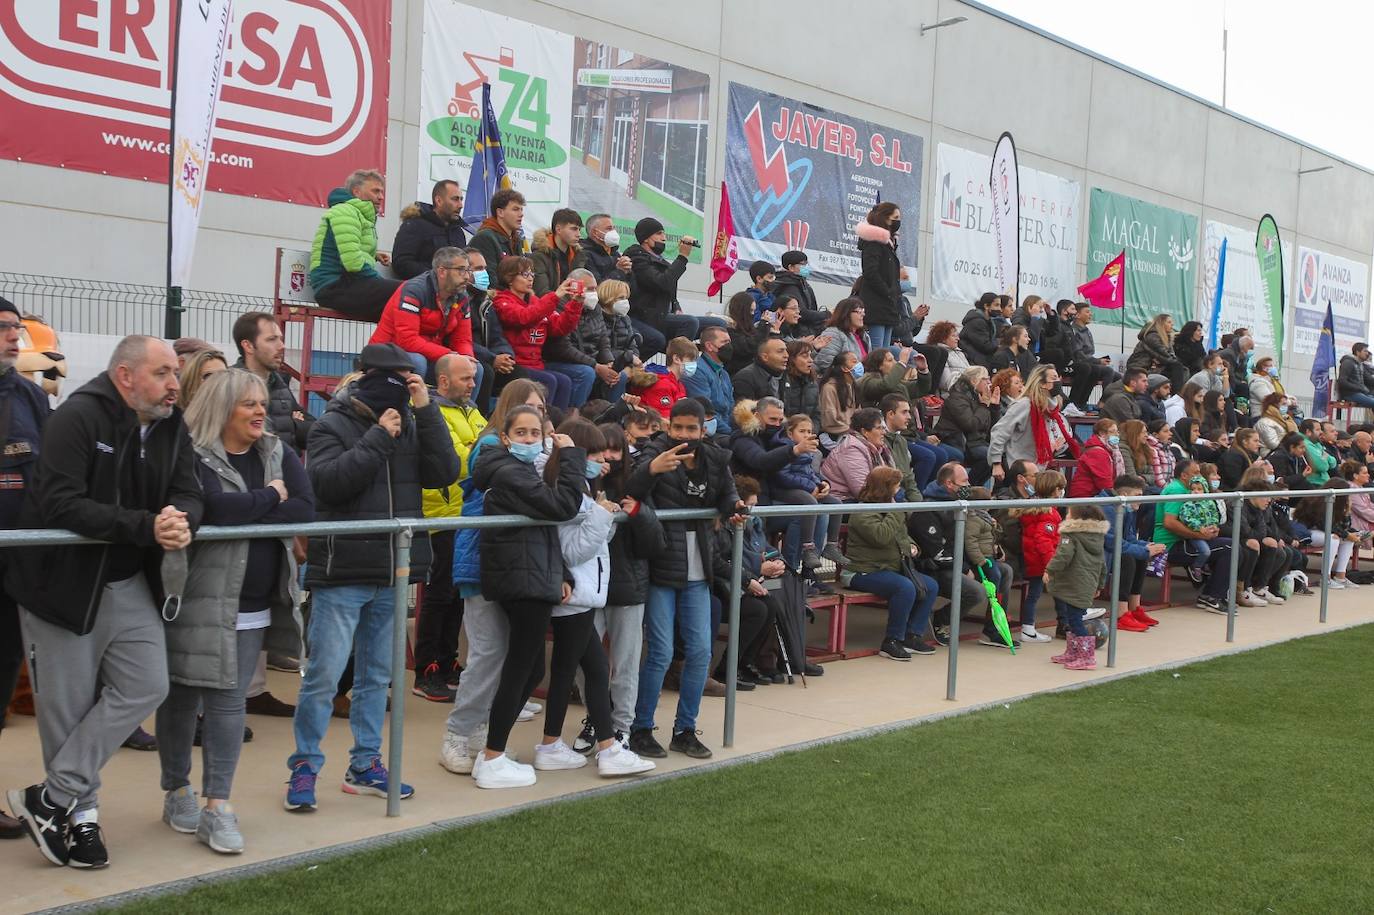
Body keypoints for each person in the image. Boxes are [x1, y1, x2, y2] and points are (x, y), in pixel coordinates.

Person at [6, 336, 201, 869]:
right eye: (162, 373)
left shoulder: (171, 424)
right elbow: (60, 502)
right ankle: (81, 817)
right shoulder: (78, 418)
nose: (172, 385)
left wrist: (180, 519)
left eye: (175, 374)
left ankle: (49, 797)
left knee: (148, 683)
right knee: (65, 714)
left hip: (126, 580)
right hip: (60, 587)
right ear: (125, 376)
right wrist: (146, 526)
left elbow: (190, 490)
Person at [285, 343, 459, 810]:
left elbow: (445, 472)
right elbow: (329, 484)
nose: (404, 390)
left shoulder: (412, 421)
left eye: (411, 382)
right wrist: (378, 437)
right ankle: (304, 767)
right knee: (323, 676)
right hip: (342, 573)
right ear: (369, 378)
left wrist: (428, 413)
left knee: (377, 677)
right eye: (399, 381)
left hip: (392, 573)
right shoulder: (331, 425)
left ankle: (364, 764)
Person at [159, 370, 314, 854]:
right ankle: (177, 788)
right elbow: (210, 510)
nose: (260, 411)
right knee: (182, 697)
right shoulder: (194, 453)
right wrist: (270, 497)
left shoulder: (277, 451)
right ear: (223, 408)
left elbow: (305, 508)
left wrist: (249, 506)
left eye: (262, 402)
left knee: (229, 701)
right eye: (249, 404)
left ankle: (217, 806)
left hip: (253, 605)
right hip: (197, 598)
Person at [465, 408, 587, 789]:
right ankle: (492, 756)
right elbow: (564, 507)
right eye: (521, 432)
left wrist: (561, 574)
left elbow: (543, 528)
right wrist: (571, 458)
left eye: (536, 433)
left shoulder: (520, 470)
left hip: (533, 574)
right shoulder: (508, 471)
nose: (530, 439)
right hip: (522, 580)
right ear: (504, 437)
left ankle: (492, 750)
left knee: (532, 669)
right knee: (520, 668)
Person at [530, 418, 657, 778]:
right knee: (589, 671)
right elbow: (573, 551)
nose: (604, 460)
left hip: (583, 596)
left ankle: (562, 744)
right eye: (596, 453)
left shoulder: (579, 488)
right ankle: (602, 747)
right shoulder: (564, 489)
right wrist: (602, 516)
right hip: (574, 598)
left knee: (583, 671)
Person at [439, 380, 548, 776]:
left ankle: (483, 736)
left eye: (541, 413)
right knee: (487, 654)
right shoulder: (491, 448)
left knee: (512, 658)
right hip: (482, 561)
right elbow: (549, 500)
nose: (537, 421)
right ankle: (457, 733)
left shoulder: (538, 454)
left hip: (517, 566)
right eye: (528, 413)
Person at [626, 398, 743, 761]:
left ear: (703, 429)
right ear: (668, 426)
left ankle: (685, 729)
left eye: (692, 429)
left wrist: (735, 510)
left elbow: (728, 495)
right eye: (678, 428)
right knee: (659, 652)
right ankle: (640, 728)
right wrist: (652, 470)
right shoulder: (653, 452)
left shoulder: (715, 456)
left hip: (700, 569)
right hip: (663, 567)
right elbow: (629, 491)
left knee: (700, 652)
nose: (685, 435)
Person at [0, 299, 48, 840]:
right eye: (5, 329)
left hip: (13, 572)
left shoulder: (31, 398)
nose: (15, 337)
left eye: (17, 329)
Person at [413, 354, 484, 702]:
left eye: (473, 378)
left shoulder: (471, 410)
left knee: (456, 595)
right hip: (441, 514)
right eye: (466, 378)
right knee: (439, 595)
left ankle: (447, 662)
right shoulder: (433, 412)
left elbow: (489, 450)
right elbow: (459, 463)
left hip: (465, 513)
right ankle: (425, 670)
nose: (473, 384)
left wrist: (477, 450)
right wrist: (477, 450)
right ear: (443, 381)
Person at [842, 467, 939, 660]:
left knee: (931, 586)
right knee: (905, 587)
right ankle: (892, 641)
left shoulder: (891, 509)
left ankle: (912, 635)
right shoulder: (863, 512)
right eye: (896, 486)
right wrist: (897, 510)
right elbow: (882, 537)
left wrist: (913, 546)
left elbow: (903, 536)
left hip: (891, 567)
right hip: (862, 571)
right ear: (885, 488)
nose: (899, 489)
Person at [917, 463, 1007, 646]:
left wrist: (991, 552)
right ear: (949, 484)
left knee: (1004, 571)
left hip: (963, 559)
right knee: (976, 591)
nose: (968, 486)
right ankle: (942, 619)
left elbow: (974, 537)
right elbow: (936, 553)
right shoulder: (928, 509)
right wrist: (964, 568)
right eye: (964, 481)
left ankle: (992, 630)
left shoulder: (963, 503)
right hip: (937, 568)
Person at [708, 476, 786, 683]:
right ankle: (727, 668)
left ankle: (744, 662)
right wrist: (753, 574)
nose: (753, 510)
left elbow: (764, 548)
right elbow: (729, 560)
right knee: (757, 610)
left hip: (742, 581)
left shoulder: (753, 523)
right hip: (722, 587)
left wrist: (778, 560)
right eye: (750, 505)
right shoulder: (725, 525)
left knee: (770, 605)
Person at [491, 255, 588, 408]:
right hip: (515, 365)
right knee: (549, 381)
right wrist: (555, 296)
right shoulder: (502, 301)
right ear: (509, 278)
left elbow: (559, 327)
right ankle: (540, 423)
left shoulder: (536, 301)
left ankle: (556, 423)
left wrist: (576, 304)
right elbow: (523, 317)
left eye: (532, 274)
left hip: (536, 364)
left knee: (565, 381)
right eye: (525, 275)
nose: (530, 279)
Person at [369, 247, 475, 383]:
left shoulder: (462, 297)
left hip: (427, 353)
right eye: (461, 270)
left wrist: (466, 359)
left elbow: (462, 340)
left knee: (474, 369)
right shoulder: (414, 291)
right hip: (387, 352)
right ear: (442, 271)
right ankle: (412, 404)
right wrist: (450, 354)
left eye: (468, 270)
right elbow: (407, 340)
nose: (467, 276)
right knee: (417, 362)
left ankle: (463, 405)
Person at [309, 169, 399, 321]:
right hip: (333, 287)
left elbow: (346, 247)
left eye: (382, 192)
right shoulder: (344, 211)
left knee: (402, 307)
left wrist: (374, 255)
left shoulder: (356, 213)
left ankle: (385, 344)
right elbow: (352, 263)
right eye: (376, 191)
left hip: (345, 284)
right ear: (356, 192)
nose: (381, 197)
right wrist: (378, 281)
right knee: (409, 293)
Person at [1154, 459, 1233, 613]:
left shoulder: (1190, 490)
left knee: (1231, 545)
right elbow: (1169, 522)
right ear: (1184, 476)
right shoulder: (1176, 490)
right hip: (1171, 545)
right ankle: (1212, 597)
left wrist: (1212, 529)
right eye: (1196, 472)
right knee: (1228, 547)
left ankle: (1212, 594)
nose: (1200, 475)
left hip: (1189, 539)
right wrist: (1200, 535)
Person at [231, 312, 313, 454]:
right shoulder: (230, 385)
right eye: (271, 339)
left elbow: (313, 431)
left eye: (280, 339)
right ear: (248, 346)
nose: (281, 346)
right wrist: (289, 424)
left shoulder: (279, 384)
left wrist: (293, 425)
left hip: (284, 473)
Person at [1045, 504, 1110, 671]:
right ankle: (1073, 652)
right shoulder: (1096, 538)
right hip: (1086, 584)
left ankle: (1087, 657)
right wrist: (1100, 584)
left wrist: (1050, 570)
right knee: (1072, 618)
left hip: (1073, 584)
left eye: (1068, 514)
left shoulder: (1071, 535)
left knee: (1075, 620)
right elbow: (1103, 565)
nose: (1066, 516)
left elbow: (1063, 555)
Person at [625, 217, 699, 358]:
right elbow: (663, 282)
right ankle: (675, 366)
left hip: (665, 315)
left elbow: (670, 291)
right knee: (690, 322)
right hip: (646, 316)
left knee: (716, 324)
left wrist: (676, 307)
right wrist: (682, 256)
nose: (664, 238)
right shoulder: (637, 258)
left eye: (664, 233)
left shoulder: (661, 261)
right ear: (646, 238)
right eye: (659, 233)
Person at [1100, 475, 1166, 632]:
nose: (1141, 500)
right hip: (1100, 552)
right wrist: (1143, 550)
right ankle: (1120, 614)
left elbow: (1128, 537)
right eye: (1138, 495)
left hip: (1112, 548)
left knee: (1141, 555)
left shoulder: (1126, 506)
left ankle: (1134, 608)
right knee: (1128, 557)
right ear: (1124, 494)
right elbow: (1111, 542)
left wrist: (1147, 546)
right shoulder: (1106, 507)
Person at [988, 363, 1081, 475]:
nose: (1059, 381)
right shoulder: (1024, 405)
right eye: (1054, 378)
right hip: (1017, 469)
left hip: (1037, 468)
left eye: (1058, 377)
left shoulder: (1051, 411)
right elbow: (1000, 432)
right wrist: (996, 463)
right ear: (1042, 384)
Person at [1012, 469, 1067, 644]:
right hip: (1040, 562)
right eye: (1060, 489)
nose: (1062, 492)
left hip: (1036, 560)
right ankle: (1028, 629)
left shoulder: (1039, 508)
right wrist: (1051, 566)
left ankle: (1064, 621)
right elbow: (1043, 541)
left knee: (1039, 593)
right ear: (1054, 490)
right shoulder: (1047, 512)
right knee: (1035, 594)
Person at [934, 366, 1000, 484]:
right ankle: (970, 487)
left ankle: (979, 489)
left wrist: (994, 406)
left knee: (999, 455)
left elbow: (991, 427)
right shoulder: (957, 398)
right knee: (989, 457)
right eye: (986, 379)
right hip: (959, 441)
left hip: (976, 441)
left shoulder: (978, 397)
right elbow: (970, 425)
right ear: (974, 381)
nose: (989, 383)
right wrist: (984, 406)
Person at [1293, 478, 1363, 589]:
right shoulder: (1316, 501)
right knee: (1334, 539)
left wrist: (1347, 512)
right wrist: (1346, 534)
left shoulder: (1339, 504)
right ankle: (1326, 578)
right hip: (1307, 532)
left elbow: (1344, 528)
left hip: (1325, 532)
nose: (1348, 496)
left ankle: (1340, 576)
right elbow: (1324, 524)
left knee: (1348, 539)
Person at [392, 179, 468, 279]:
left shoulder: (458, 232)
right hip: (421, 290)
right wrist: (437, 276)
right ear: (439, 201)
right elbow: (401, 263)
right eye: (455, 199)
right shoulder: (415, 225)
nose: (460, 205)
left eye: (461, 199)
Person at [855, 201, 905, 349]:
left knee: (884, 352)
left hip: (888, 306)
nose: (898, 221)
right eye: (895, 217)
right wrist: (888, 291)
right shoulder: (874, 242)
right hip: (877, 304)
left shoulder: (889, 245)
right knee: (877, 352)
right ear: (885, 218)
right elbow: (870, 272)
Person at [628, 336, 696, 419]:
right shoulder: (662, 384)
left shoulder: (679, 384)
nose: (694, 365)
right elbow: (663, 419)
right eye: (691, 360)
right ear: (676, 359)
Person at [683, 325, 734, 432]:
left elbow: (731, 408)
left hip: (726, 428)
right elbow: (705, 412)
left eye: (729, 342)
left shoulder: (724, 373)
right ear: (709, 346)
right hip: (711, 431)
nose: (729, 346)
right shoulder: (697, 371)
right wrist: (731, 433)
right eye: (725, 342)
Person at [1063, 303, 1113, 413]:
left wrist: (1097, 360)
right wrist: (1097, 361)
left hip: (1088, 362)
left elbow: (1089, 353)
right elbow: (1078, 354)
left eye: (1090, 312)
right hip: (1077, 363)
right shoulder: (1074, 330)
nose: (1091, 314)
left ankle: (1109, 405)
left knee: (1118, 377)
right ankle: (1093, 404)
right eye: (1087, 312)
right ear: (1078, 315)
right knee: (1102, 370)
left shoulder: (1086, 330)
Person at [531, 209, 587, 296]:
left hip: (573, 302)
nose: (578, 234)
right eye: (574, 229)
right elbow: (542, 293)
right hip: (550, 304)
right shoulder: (538, 257)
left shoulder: (579, 255)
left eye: (579, 229)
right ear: (558, 229)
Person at [468, 188, 527, 268]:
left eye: (521, 210)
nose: (521, 214)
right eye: (515, 209)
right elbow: (490, 277)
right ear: (500, 212)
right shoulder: (485, 238)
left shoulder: (516, 239)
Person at [1126, 314, 1186, 391]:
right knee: (1177, 366)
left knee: (1183, 368)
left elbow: (1171, 356)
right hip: (1141, 368)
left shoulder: (1167, 337)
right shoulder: (1152, 336)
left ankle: (1173, 394)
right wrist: (1163, 361)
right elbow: (1166, 355)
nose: (1172, 324)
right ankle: (1176, 395)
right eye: (1169, 322)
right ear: (1161, 323)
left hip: (1155, 367)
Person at [813, 298, 871, 376]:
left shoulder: (864, 336)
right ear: (846, 313)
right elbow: (825, 364)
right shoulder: (833, 333)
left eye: (863, 311)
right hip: (840, 382)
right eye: (858, 311)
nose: (863, 314)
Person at [1068, 419, 1125, 498]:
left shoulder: (1109, 450)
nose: (1117, 435)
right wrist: (1117, 496)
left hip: (1094, 495)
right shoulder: (1098, 452)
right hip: (1085, 497)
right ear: (1102, 433)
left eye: (1117, 432)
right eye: (1112, 432)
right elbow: (1104, 482)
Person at [772, 250, 828, 330]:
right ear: (791, 267)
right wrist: (826, 314)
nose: (806, 267)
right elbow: (801, 313)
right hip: (793, 331)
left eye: (807, 264)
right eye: (803, 264)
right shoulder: (789, 285)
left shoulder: (800, 282)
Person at [818, 352, 861, 442]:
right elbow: (830, 420)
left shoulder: (852, 385)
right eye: (854, 362)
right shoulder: (829, 388)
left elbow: (858, 412)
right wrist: (851, 431)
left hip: (851, 433)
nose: (858, 365)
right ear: (844, 368)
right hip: (834, 436)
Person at [733, 335, 788, 402]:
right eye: (780, 351)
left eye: (786, 350)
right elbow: (744, 410)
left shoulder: (782, 375)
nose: (786, 355)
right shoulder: (745, 378)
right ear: (765, 357)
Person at [927, 321, 971, 398]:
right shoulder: (940, 354)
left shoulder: (960, 353)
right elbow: (945, 382)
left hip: (966, 394)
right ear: (943, 338)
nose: (958, 338)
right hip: (951, 397)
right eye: (954, 336)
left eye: (957, 335)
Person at [959, 292, 1000, 370]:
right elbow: (986, 346)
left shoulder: (988, 321)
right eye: (996, 305)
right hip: (973, 360)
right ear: (986, 306)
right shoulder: (977, 322)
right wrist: (999, 342)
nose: (999, 309)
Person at [1298, 418, 1338, 486]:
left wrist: (1323, 457)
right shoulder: (1305, 443)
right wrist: (1324, 456)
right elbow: (1322, 466)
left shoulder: (1316, 443)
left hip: (1321, 483)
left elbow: (1333, 462)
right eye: (1317, 430)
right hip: (1314, 484)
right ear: (1308, 432)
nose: (1321, 432)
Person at [1336, 342, 1374, 409]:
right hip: (1350, 394)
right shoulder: (1348, 362)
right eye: (1365, 351)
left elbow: (1370, 379)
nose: (1367, 353)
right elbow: (1342, 381)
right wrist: (1360, 388)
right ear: (1357, 352)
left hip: (1360, 393)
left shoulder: (1360, 365)